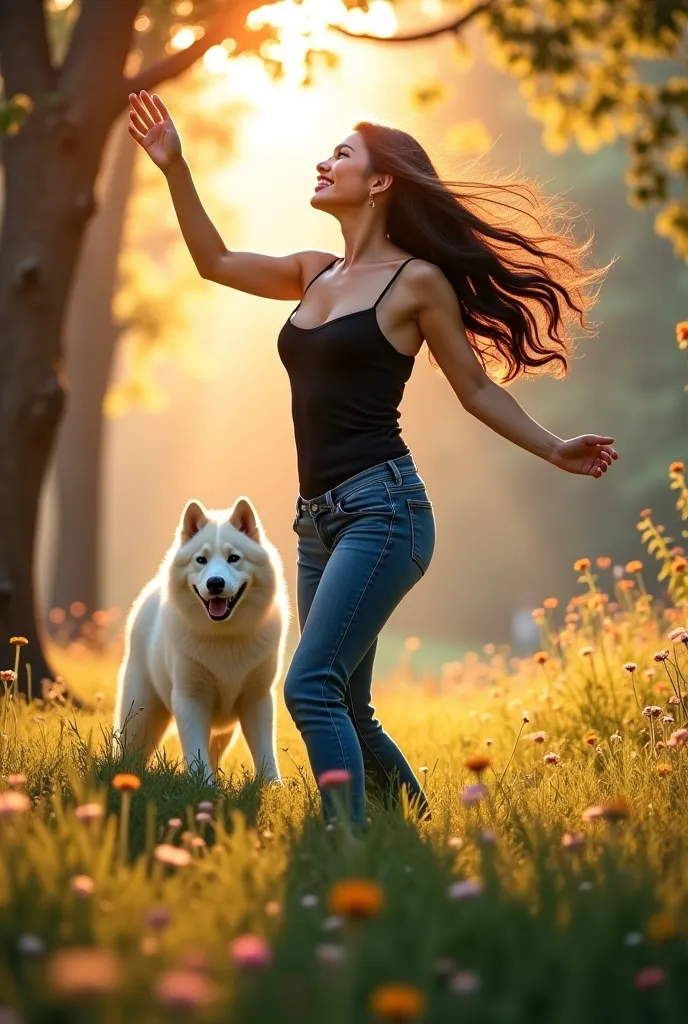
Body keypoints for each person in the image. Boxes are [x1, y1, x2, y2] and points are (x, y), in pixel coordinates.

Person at [127, 90, 618, 829]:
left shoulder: (414, 281)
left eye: (343, 155)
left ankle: (345, 844)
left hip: (383, 511)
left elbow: (476, 387)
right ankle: (413, 834)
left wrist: (553, 448)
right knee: (349, 706)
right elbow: (216, 261)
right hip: (316, 522)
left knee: (309, 686)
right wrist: (175, 168)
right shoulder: (313, 272)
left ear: (380, 181)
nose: (324, 163)